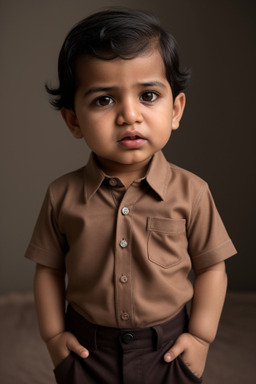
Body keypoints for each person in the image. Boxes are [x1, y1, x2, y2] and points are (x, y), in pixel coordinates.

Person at [25, 8, 237, 384]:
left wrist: (201, 338)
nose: (129, 115)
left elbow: (211, 268)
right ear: (74, 120)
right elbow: (49, 270)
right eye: (104, 100)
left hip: (168, 349)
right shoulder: (62, 195)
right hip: (88, 351)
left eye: (149, 95)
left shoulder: (193, 192)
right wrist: (55, 338)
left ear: (175, 110)